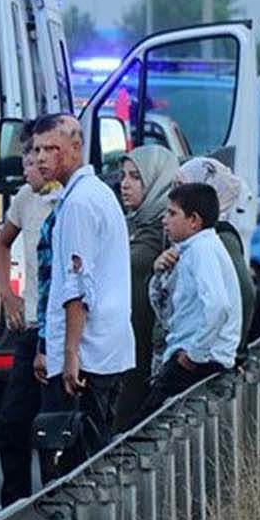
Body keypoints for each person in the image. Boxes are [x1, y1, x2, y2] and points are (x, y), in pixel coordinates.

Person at [33, 115, 134, 472]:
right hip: (105, 349)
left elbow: (78, 287)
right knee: (93, 455)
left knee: (73, 467)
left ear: (75, 149)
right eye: (36, 149)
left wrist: (70, 353)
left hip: (86, 355)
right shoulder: (92, 194)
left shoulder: (78, 204)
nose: (42, 157)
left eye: (51, 148)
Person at [0, 119, 64, 507]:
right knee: (13, 421)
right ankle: (13, 507)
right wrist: (7, 293)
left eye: (37, 155)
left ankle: (55, 502)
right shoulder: (25, 198)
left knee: (53, 425)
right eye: (26, 155)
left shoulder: (70, 199)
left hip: (62, 328)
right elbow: (2, 245)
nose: (29, 164)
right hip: (31, 325)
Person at [139, 183, 242, 420]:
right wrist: (160, 272)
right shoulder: (191, 249)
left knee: (142, 430)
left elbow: (218, 306)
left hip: (198, 362)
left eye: (172, 213)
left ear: (194, 220)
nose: (165, 220)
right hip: (193, 356)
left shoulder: (202, 250)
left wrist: (193, 355)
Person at [112, 145, 180, 430]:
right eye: (123, 176)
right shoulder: (134, 225)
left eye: (136, 177)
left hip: (143, 347)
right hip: (125, 343)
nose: (125, 184)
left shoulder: (163, 232)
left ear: (156, 180)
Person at [174, 156, 256, 346]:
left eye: (182, 187)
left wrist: (225, 350)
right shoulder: (191, 237)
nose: (175, 195)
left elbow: (244, 294)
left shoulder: (219, 238)